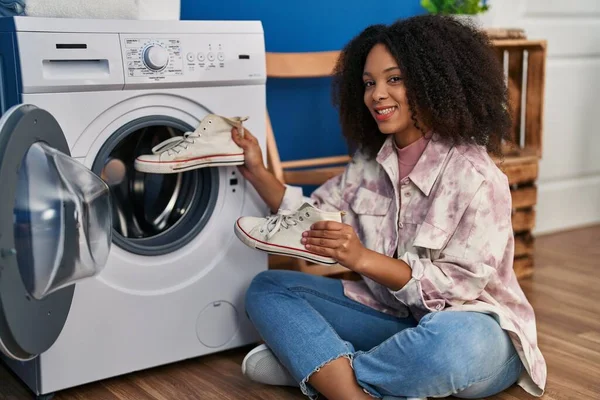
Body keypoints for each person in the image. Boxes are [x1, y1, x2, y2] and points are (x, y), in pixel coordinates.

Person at [230, 14, 547, 400]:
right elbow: (311, 215)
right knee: (268, 287)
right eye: (368, 83)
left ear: (433, 82)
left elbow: (458, 290)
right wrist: (258, 171)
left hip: (471, 327)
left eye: (394, 79)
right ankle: (355, 384)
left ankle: (327, 371)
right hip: (392, 318)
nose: (377, 94)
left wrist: (361, 258)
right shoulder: (370, 163)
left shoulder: (476, 176)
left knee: (457, 344)